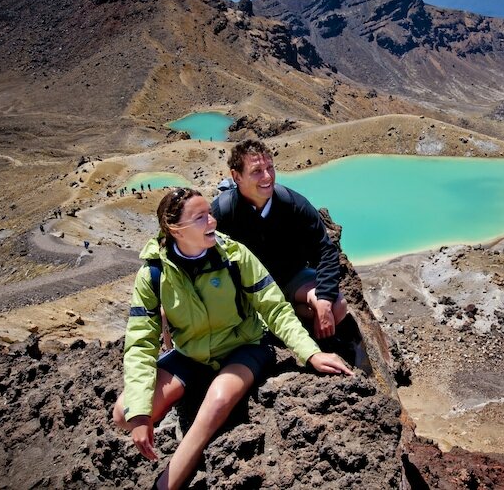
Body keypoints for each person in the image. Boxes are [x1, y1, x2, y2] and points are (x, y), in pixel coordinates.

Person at [113, 188, 351, 490]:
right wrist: (140, 414)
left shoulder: (234, 255)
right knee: (124, 413)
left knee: (218, 402)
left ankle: (166, 483)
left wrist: (311, 353)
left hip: (244, 347)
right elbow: (140, 344)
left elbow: (275, 308)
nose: (212, 221)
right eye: (200, 218)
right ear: (176, 230)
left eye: (210, 214)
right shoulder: (153, 274)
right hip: (191, 355)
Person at [212, 140, 357, 350]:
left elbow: (325, 250)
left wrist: (324, 300)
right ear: (236, 176)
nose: (267, 177)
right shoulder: (222, 213)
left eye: (270, 168)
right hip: (247, 290)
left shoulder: (293, 204)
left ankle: (287, 321)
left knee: (337, 306)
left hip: (290, 279)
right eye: (257, 171)